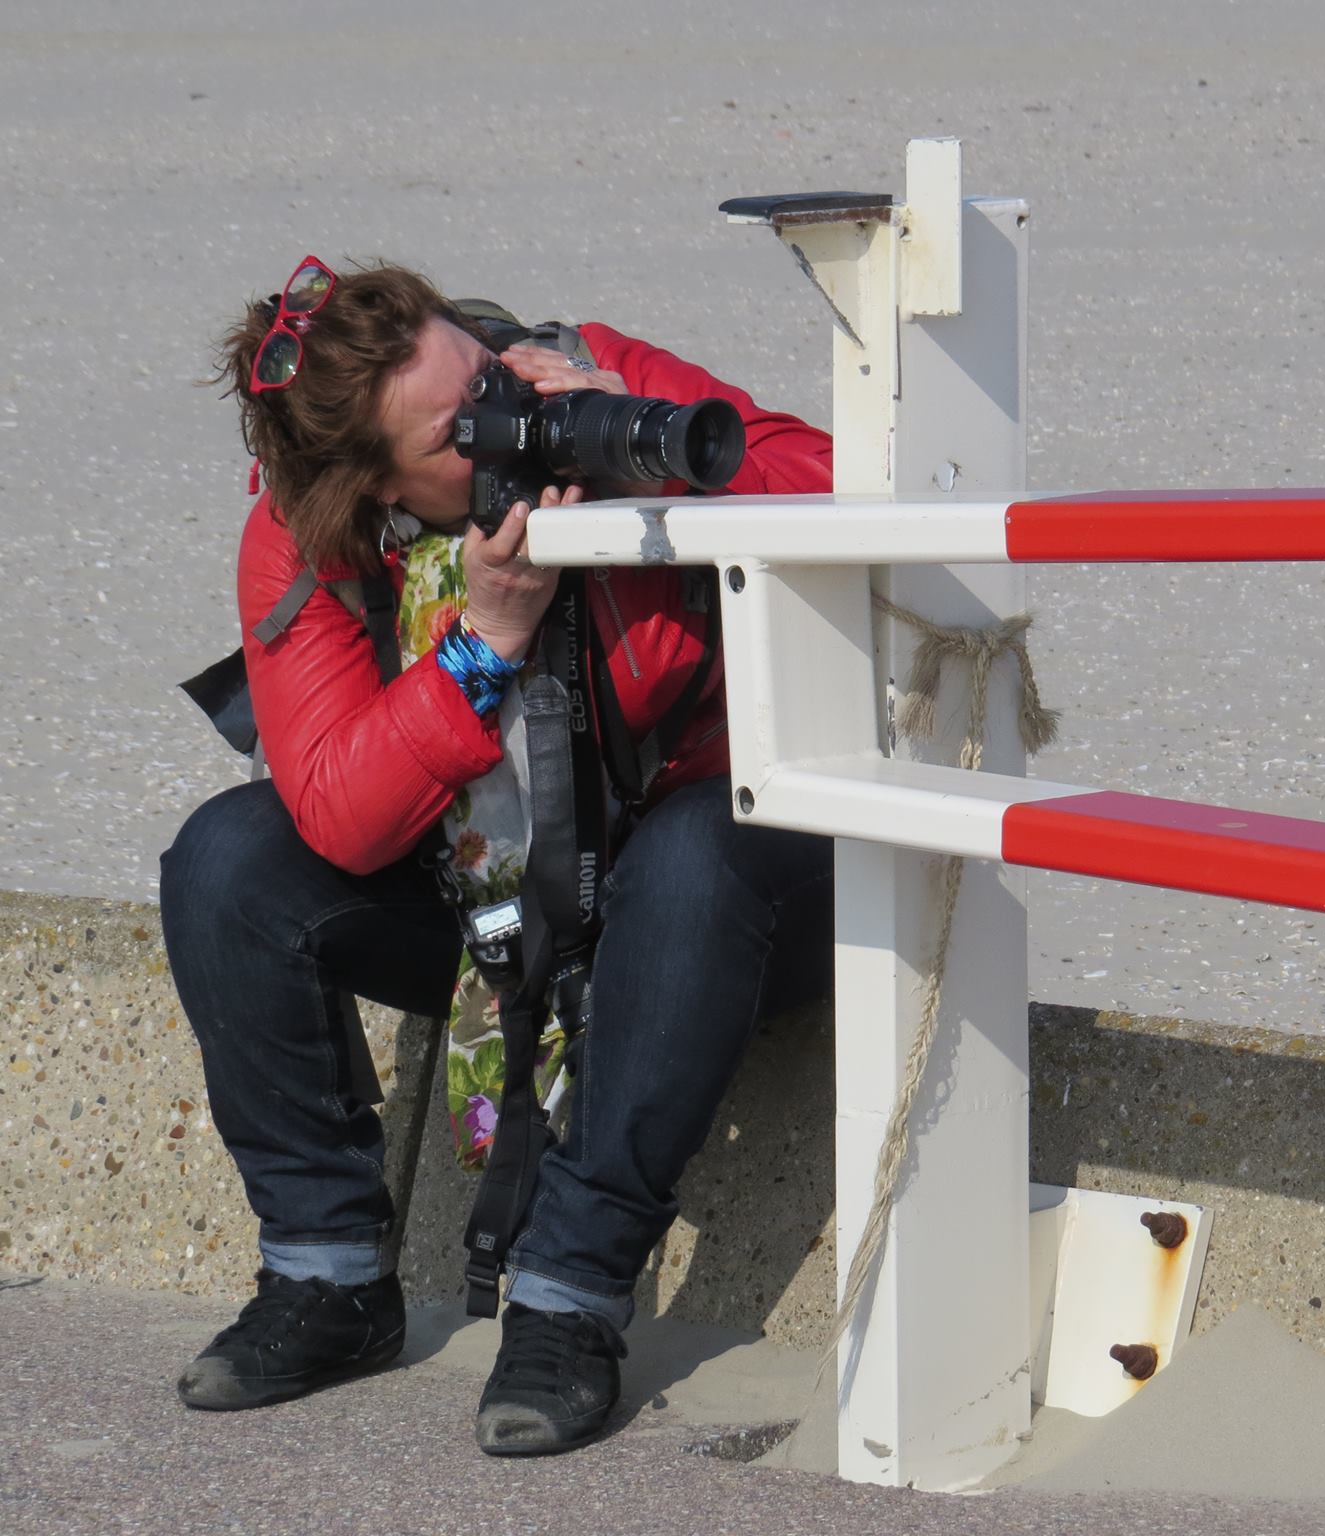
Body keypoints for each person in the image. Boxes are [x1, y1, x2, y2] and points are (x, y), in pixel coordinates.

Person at [159, 256, 835, 1454]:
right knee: (227, 862)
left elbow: (841, 492)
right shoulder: (310, 533)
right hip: (498, 903)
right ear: (375, 486)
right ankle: (325, 1280)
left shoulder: (589, 375)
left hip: (729, 890)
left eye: (482, 371)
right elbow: (339, 814)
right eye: (458, 429)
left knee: (694, 854)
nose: (507, 417)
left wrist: (634, 429)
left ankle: (568, 1300)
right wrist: (484, 641)